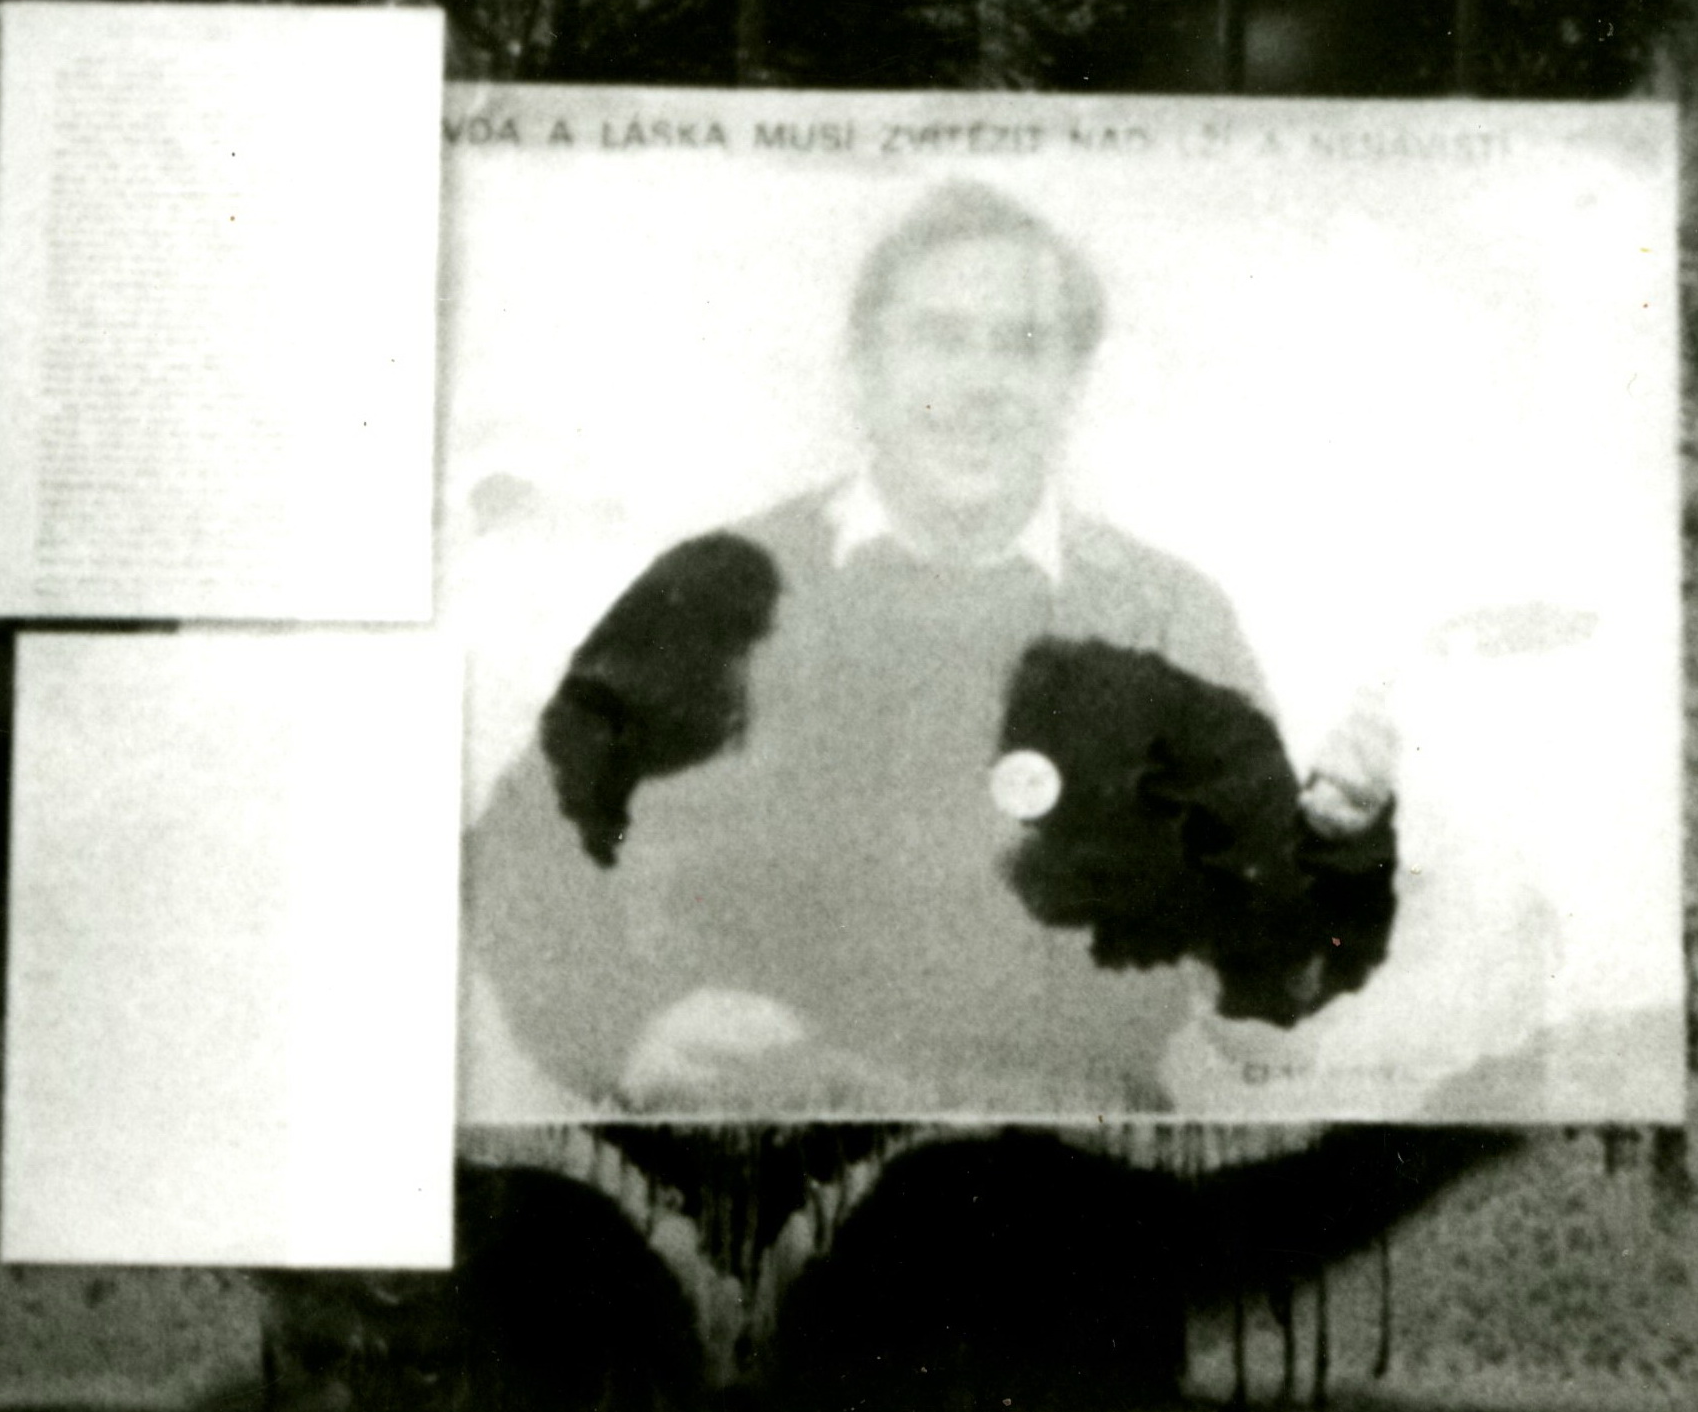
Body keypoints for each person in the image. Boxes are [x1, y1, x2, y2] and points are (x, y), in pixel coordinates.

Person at [466, 176, 1396, 1116]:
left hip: (1078, 1160)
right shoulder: (716, 594)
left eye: (1021, 346)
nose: (979, 385)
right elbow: (522, 845)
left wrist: (1336, 852)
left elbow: (1266, 1001)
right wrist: (621, 1031)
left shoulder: (1164, 617)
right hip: (765, 1152)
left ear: (1071, 383)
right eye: (940, 339)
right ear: (863, 369)